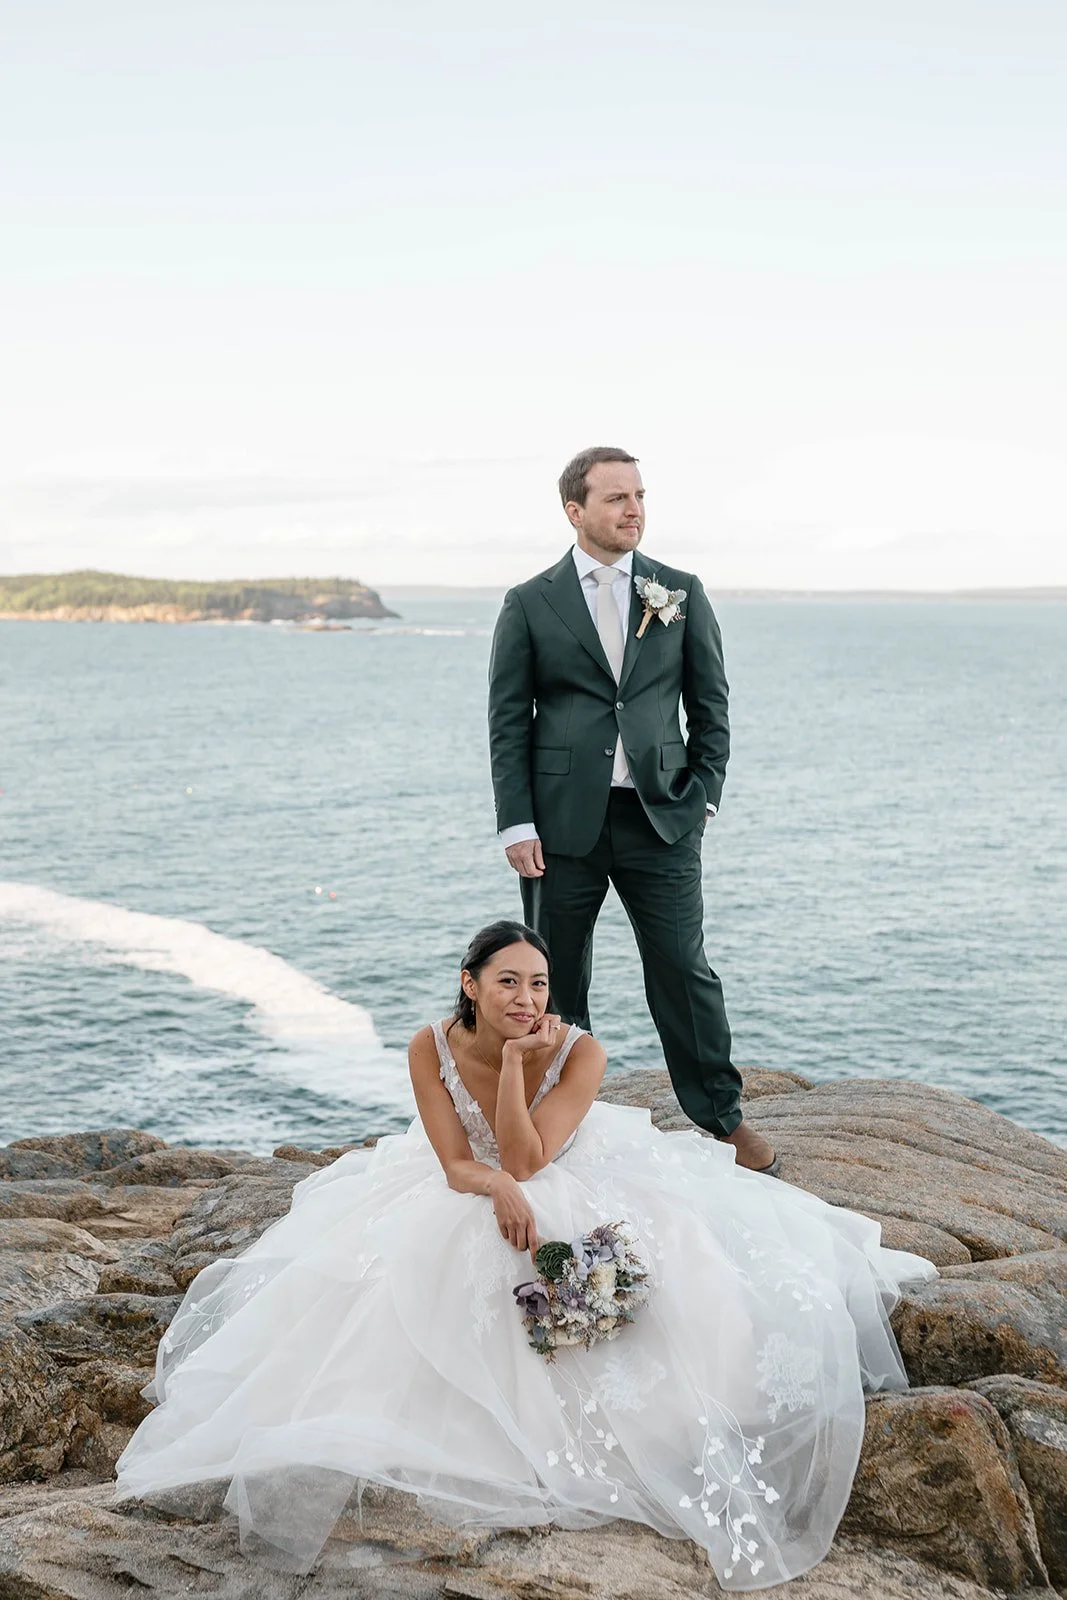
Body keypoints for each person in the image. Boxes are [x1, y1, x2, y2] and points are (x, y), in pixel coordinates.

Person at [115, 921, 936, 1590]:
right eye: (507, 981)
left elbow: (531, 1158)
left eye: (538, 983)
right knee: (450, 1246)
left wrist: (514, 1069)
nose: (526, 996)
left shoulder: (578, 1052)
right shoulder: (427, 1045)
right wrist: (495, 1189)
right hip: (470, 1179)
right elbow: (454, 1162)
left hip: (562, 1169)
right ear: (469, 983)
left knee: (625, 1254)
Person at [488, 446, 776, 1174]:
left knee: (683, 969)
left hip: (660, 818)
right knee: (553, 979)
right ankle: (557, 1122)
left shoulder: (678, 590)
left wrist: (703, 793)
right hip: (559, 827)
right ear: (574, 511)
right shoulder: (529, 600)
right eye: (615, 498)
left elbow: (710, 704)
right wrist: (516, 822)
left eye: (639, 496)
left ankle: (720, 1119)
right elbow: (507, 719)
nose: (633, 510)